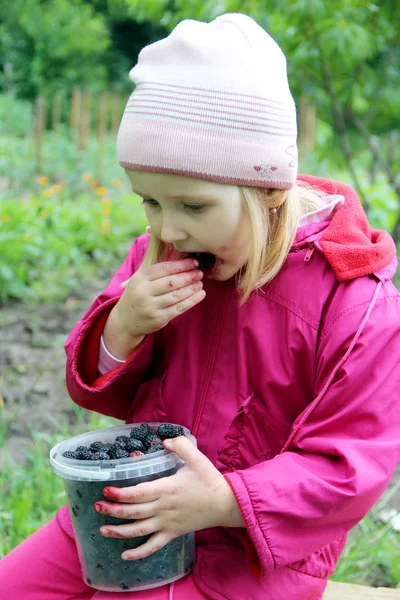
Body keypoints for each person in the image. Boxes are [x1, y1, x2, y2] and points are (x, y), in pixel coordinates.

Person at [1, 12, 399, 600]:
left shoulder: (354, 304)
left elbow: (350, 466)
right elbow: (93, 384)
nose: (168, 228)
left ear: (268, 189)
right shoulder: (157, 257)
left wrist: (224, 501)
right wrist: (124, 326)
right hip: (132, 506)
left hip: (253, 552)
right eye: (150, 202)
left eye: (191, 206)